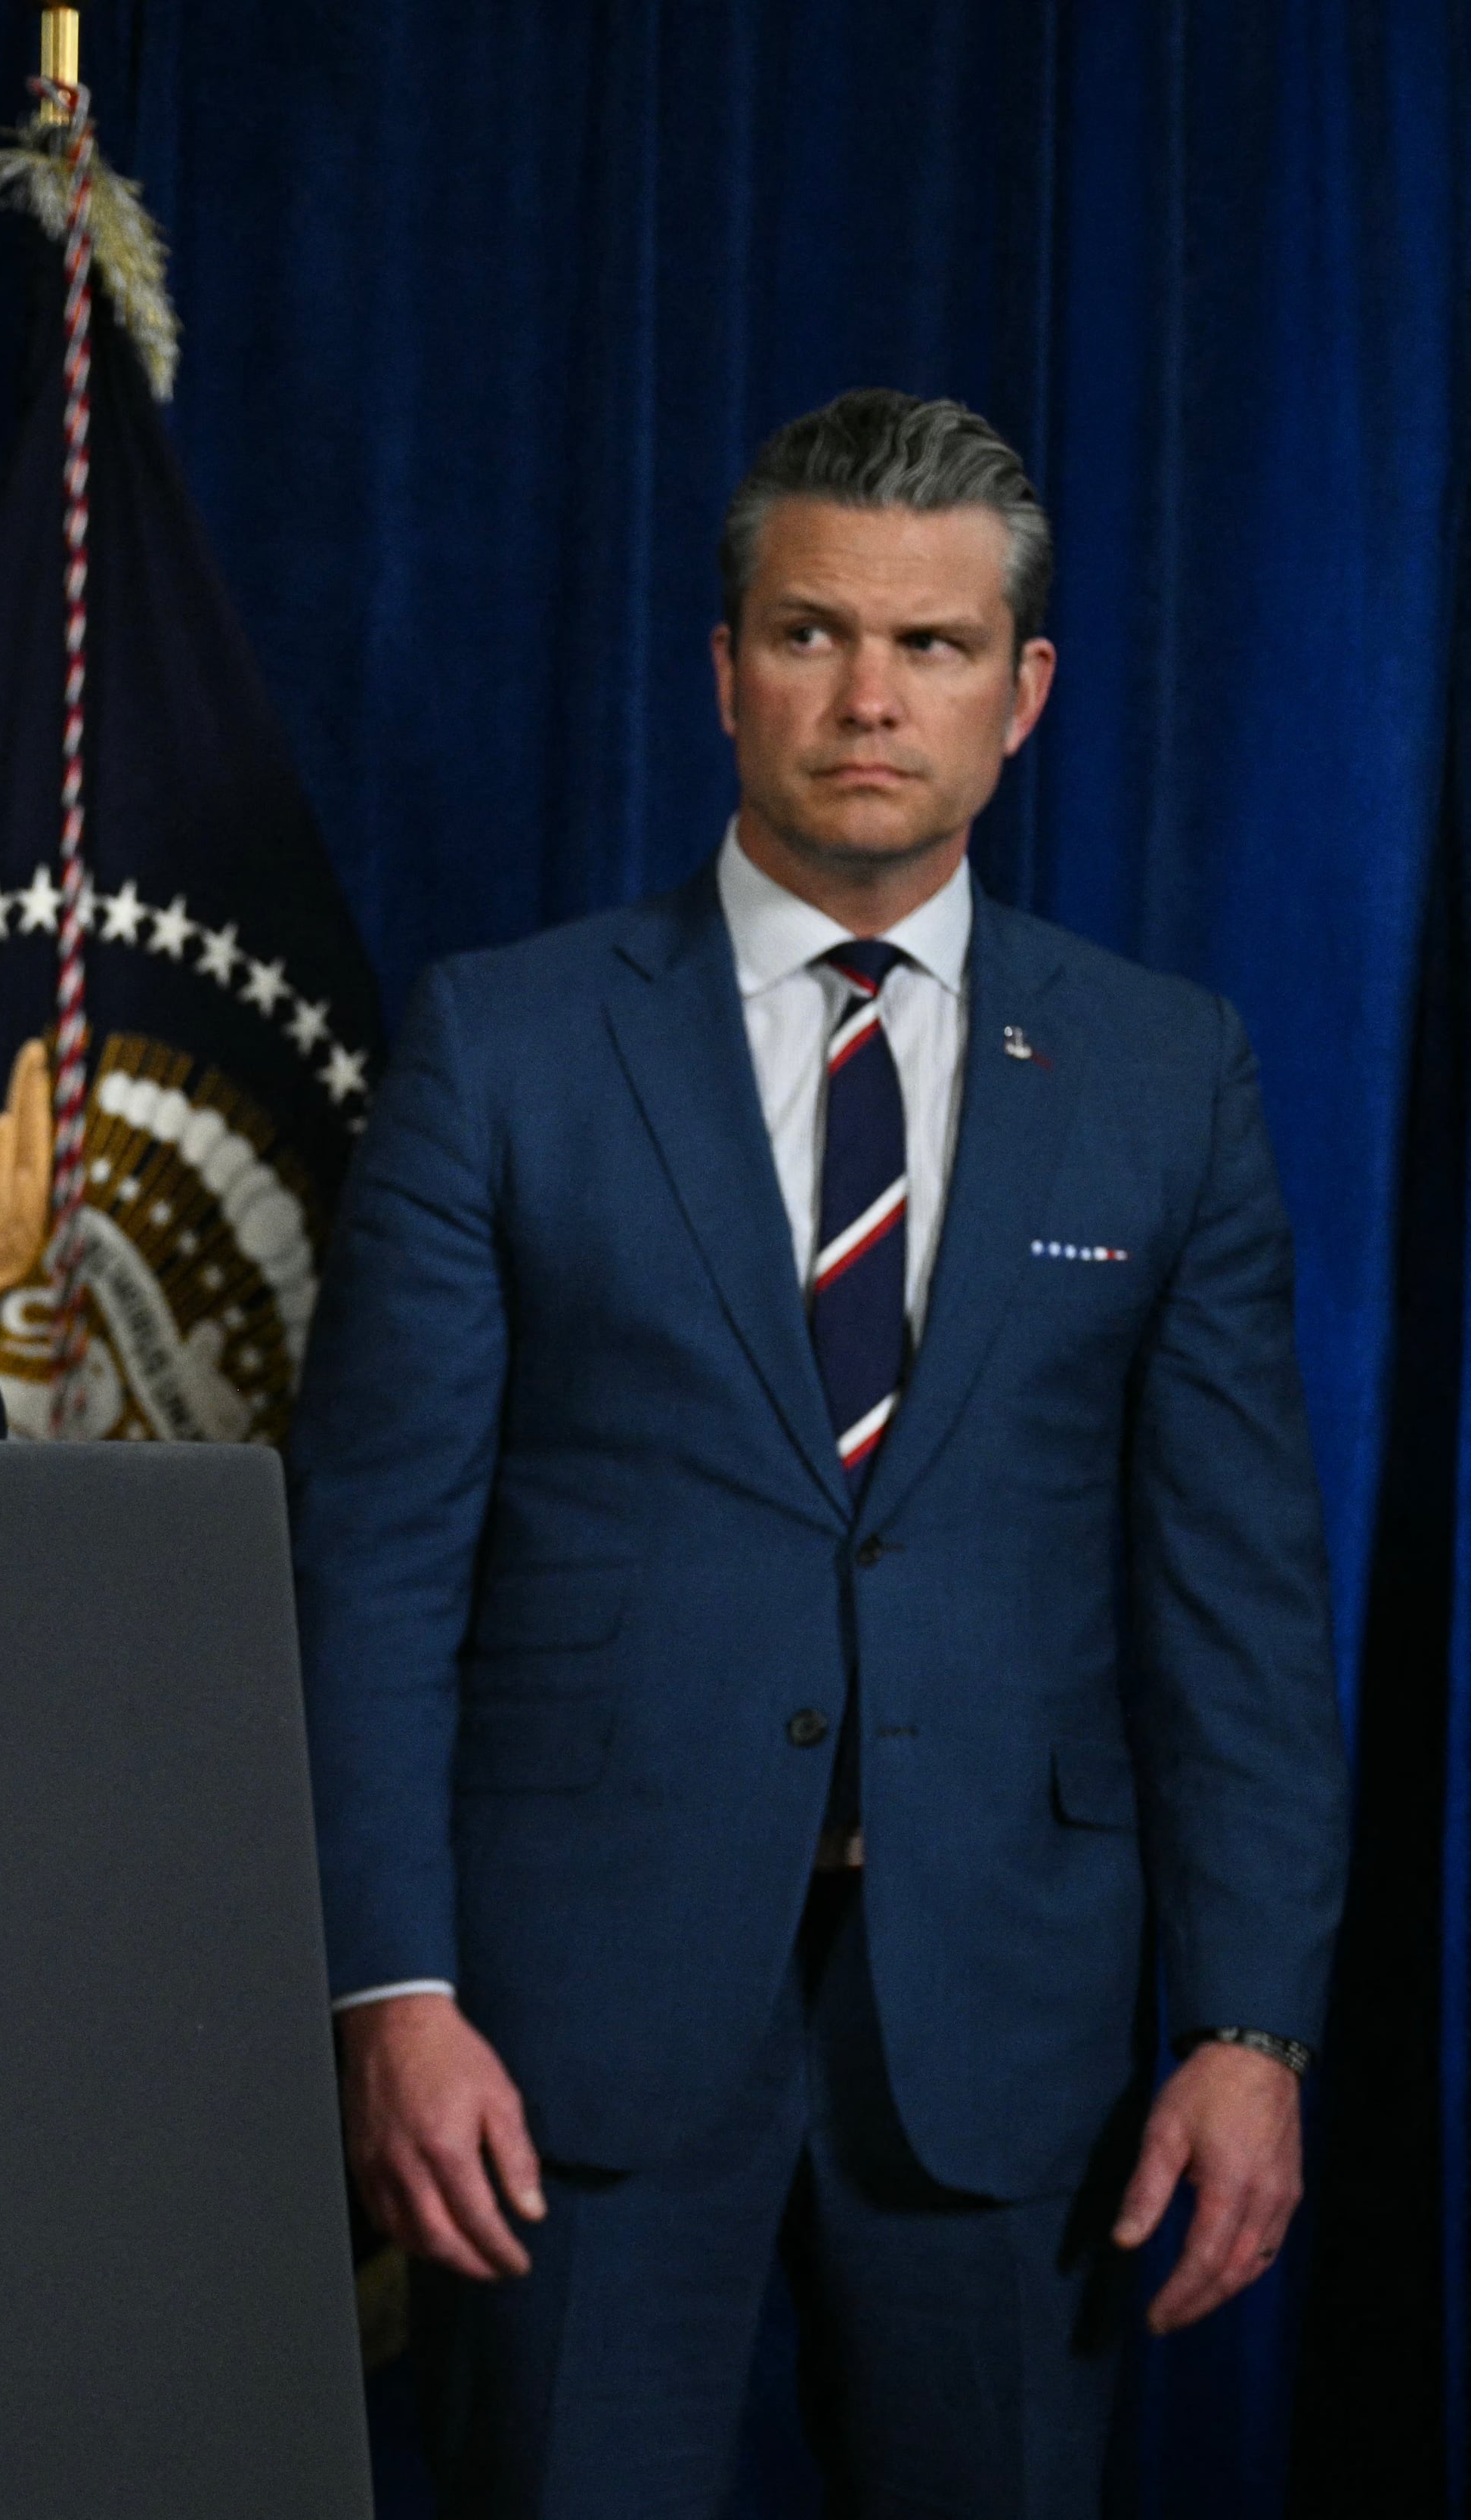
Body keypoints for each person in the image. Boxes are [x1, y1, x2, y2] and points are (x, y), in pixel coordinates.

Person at [288, 392, 1345, 2513]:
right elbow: (373, 1561)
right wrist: (388, 1985)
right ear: (724, 668)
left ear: (1024, 691)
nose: (871, 696)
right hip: (562, 2032)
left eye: (935, 646)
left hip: (1005, 2024)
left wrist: (1253, 2025)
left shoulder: (1166, 1071)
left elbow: (1233, 1602)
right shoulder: (505, 1043)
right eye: (812, 632)